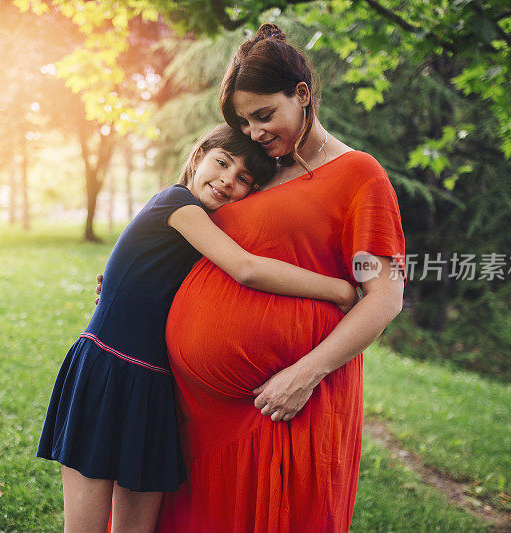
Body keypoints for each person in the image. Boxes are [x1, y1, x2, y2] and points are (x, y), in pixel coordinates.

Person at [37, 124, 358, 533]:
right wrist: (338, 290)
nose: (228, 179)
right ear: (198, 156)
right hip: (108, 374)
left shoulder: (207, 228)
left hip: (153, 390)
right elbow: (246, 269)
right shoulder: (177, 202)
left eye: (244, 178)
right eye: (222, 163)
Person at [155, 24, 406, 531]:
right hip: (199, 408)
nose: (254, 132)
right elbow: (220, 249)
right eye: (245, 122)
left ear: (302, 94)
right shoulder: (258, 171)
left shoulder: (360, 176)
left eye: (264, 115)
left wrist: (303, 375)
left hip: (286, 403)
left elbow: (384, 298)